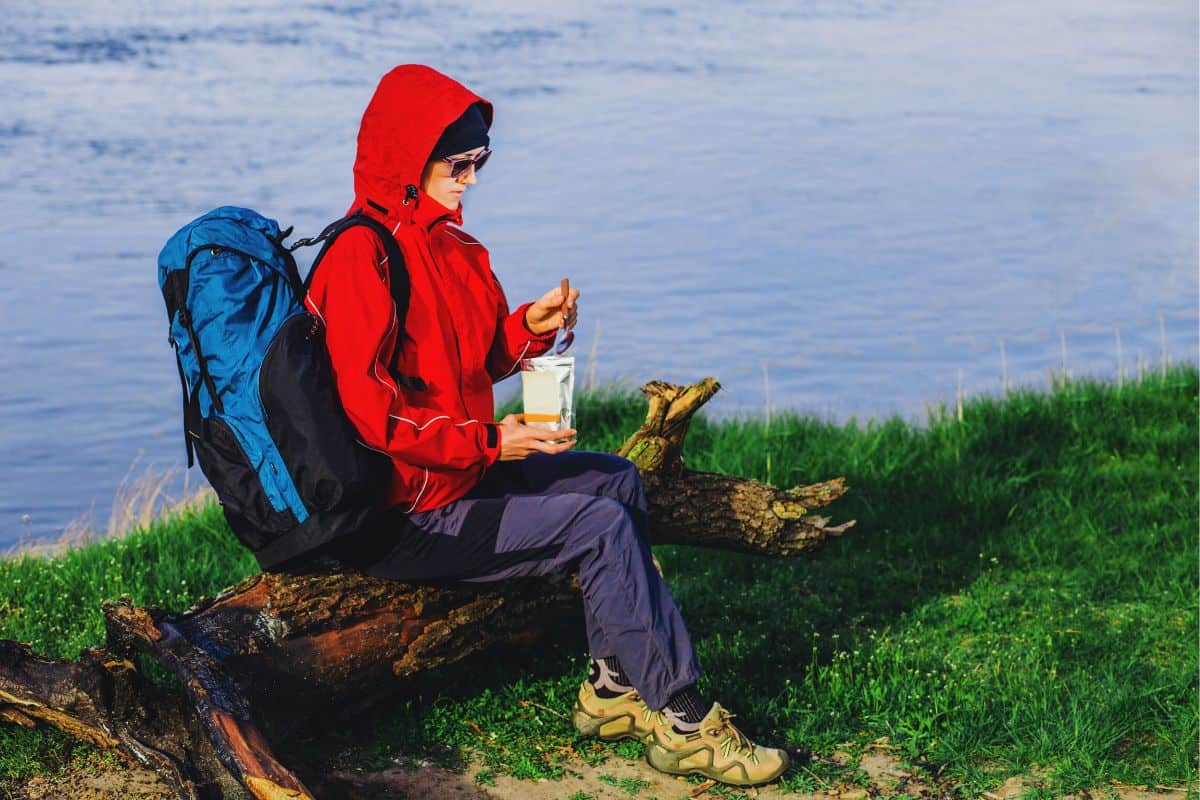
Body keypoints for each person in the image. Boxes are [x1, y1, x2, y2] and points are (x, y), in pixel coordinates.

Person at [304, 64, 788, 786]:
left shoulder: (451, 248)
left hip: (457, 477)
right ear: (408, 158)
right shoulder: (357, 259)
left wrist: (527, 330)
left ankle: (614, 686)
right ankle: (685, 721)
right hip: (404, 514)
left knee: (617, 480)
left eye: (480, 163)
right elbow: (373, 415)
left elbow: (469, 363)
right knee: (598, 529)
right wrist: (493, 441)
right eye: (457, 164)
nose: (471, 178)